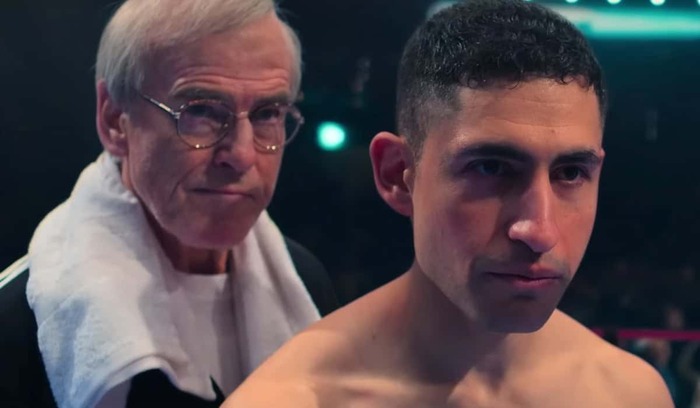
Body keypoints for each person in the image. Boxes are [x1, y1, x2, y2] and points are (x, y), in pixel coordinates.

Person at [222, 0, 675, 406]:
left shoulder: (629, 394)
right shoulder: (287, 400)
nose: (540, 230)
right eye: (491, 168)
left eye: (571, 173)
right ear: (398, 174)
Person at [0, 0, 338, 407]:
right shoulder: (24, 321)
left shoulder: (305, 282)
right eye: (201, 111)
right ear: (114, 120)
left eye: (267, 113)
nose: (242, 154)